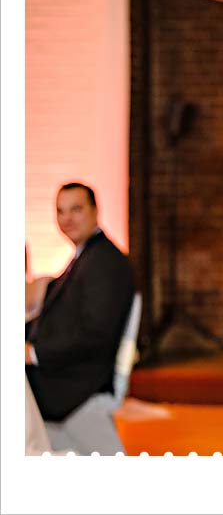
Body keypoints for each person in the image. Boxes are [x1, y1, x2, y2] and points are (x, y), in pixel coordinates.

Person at [26, 182, 135, 455]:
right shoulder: (87, 256)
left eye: (76, 209)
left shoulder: (106, 262)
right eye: (61, 211)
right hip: (63, 370)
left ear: (96, 211)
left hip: (74, 382)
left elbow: (96, 334)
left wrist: (34, 353)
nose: (67, 219)